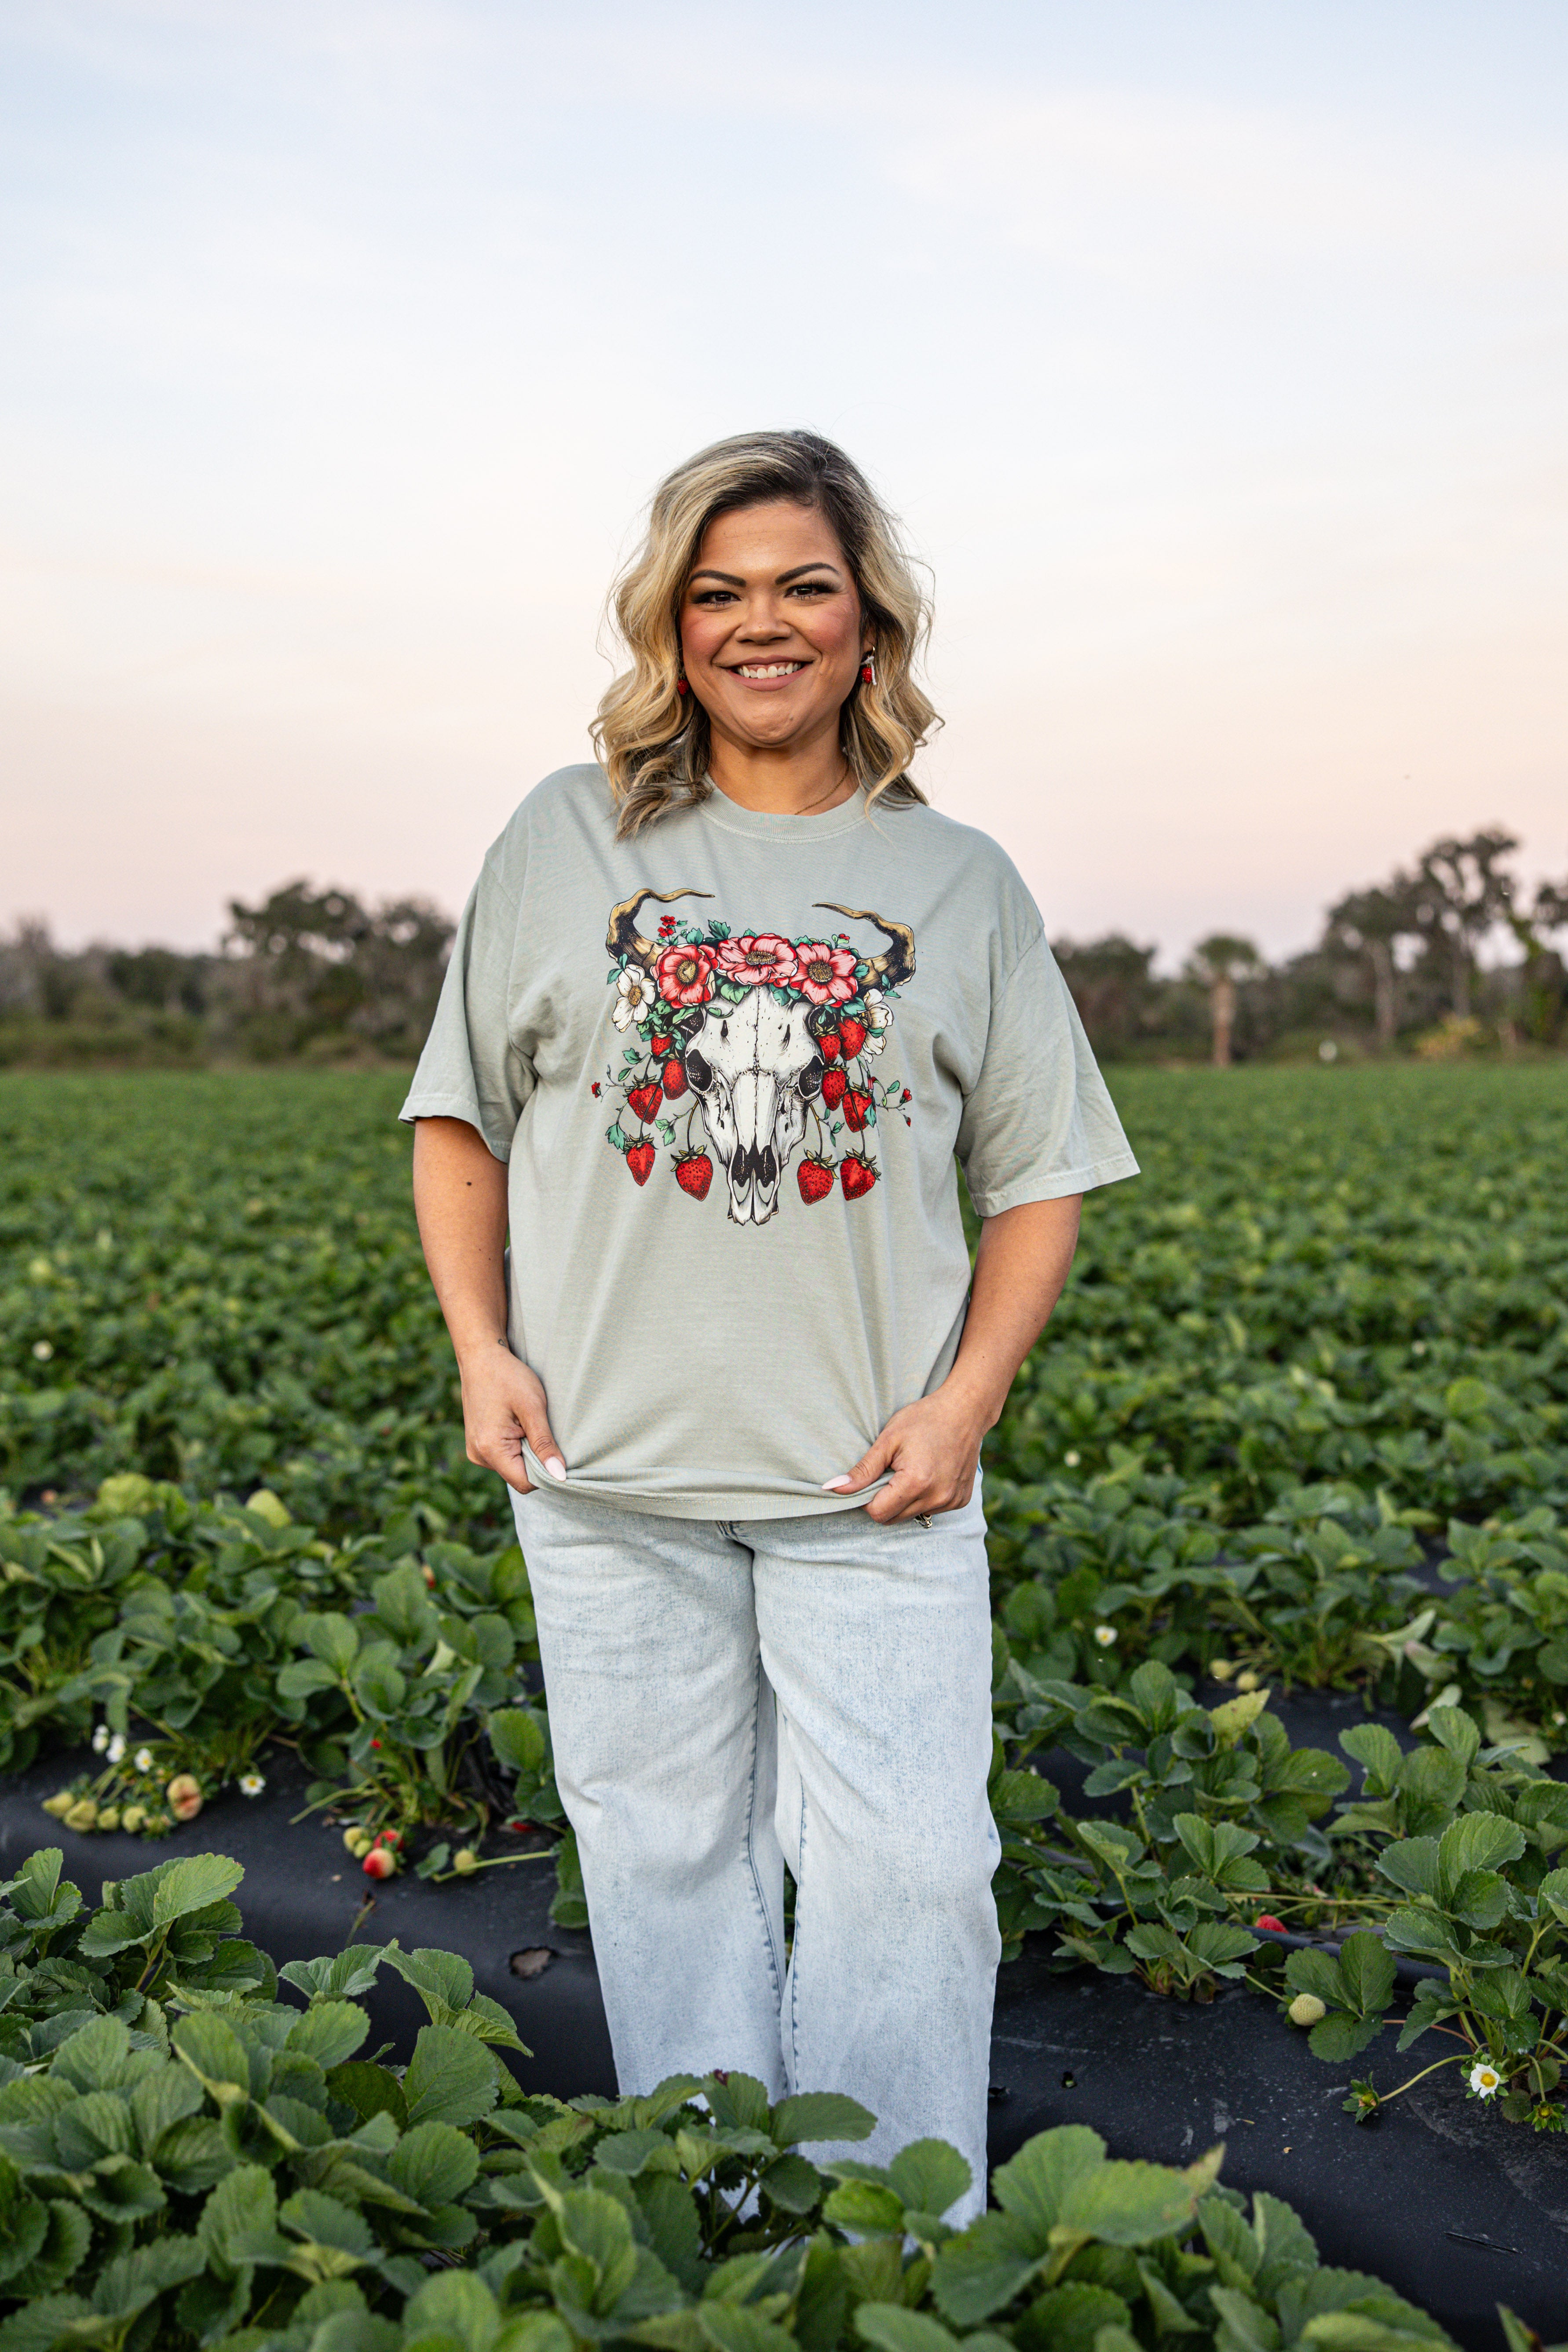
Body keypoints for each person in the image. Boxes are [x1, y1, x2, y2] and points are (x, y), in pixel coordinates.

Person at [402, 429, 1137, 2214]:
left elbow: (1040, 1173)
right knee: (661, 1858)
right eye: (718, 591)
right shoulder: (565, 835)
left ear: (868, 623)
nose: (762, 623)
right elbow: (459, 1118)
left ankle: (894, 2235)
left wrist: (967, 1401)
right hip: (605, 1475)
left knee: (913, 1866)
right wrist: (481, 1349)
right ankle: (718, 2198)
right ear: (672, 625)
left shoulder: (958, 882)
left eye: (805, 585)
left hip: (874, 1482)